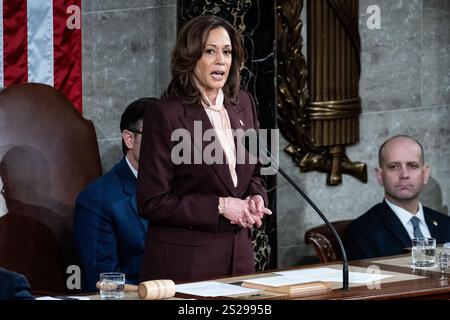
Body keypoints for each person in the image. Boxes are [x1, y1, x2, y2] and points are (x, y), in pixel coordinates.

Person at [137, 15, 272, 282]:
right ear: (191, 57)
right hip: (187, 267)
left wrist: (257, 198)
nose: (221, 60)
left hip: (240, 260)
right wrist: (220, 206)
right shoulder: (165, 115)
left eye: (227, 52)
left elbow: (253, 173)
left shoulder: (244, 103)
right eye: (210, 51)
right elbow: (152, 202)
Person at [74, 97, 157, 292]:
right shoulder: (97, 199)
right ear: (130, 139)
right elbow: (105, 281)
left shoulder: (186, 189)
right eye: (156, 136)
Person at [344, 135, 450, 260]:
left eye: (412, 165)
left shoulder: (447, 224)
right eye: (394, 166)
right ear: (380, 175)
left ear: (425, 174)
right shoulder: (361, 232)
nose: (404, 175)